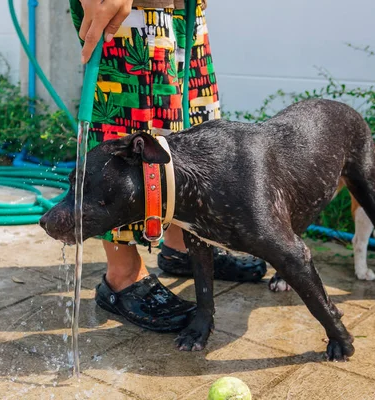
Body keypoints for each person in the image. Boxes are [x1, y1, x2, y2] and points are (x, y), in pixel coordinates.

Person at [69, 0, 267, 332]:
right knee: (131, 124)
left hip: (180, 8)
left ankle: (179, 246)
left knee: (187, 119)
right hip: (128, 12)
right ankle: (122, 275)